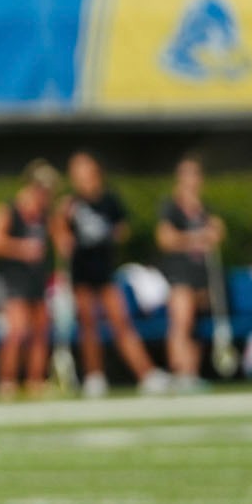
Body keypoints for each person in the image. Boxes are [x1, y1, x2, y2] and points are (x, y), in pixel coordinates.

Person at [54, 151, 170, 397]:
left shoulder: (108, 200)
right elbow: (60, 233)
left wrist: (109, 234)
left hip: (104, 270)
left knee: (120, 321)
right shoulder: (70, 204)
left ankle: (145, 373)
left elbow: (122, 228)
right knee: (88, 325)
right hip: (82, 271)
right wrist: (63, 233)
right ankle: (94, 377)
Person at [0, 160, 59, 397]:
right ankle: (8, 382)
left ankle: (35, 381)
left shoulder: (44, 214)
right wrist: (21, 248)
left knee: (40, 328)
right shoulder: (9, 210)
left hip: (37, 279)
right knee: (16, 329)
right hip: (14, 278)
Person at [156, 157, 226, 392]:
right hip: (179, 272)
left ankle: (191, 373)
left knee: (196, 324)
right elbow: (166, 239)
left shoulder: (203, 209)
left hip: (200, 273)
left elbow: (217, 232)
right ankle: (179, 370)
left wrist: (212, 233)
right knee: (181, 321)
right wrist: (196, 238)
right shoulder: (171, 207)